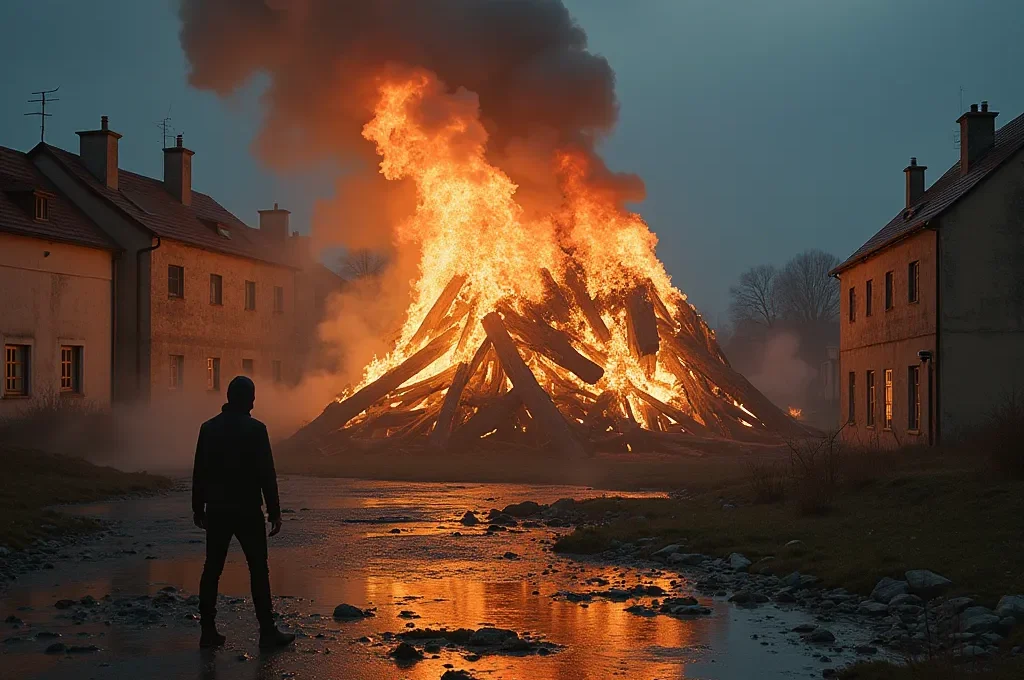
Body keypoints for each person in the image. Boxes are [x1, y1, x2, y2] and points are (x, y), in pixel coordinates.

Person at [191, 375, 295, 650]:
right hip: (248, 509)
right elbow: (266, 474)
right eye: (252, 396)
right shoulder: (256, 429)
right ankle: (267, 632)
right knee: (258, 569)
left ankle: (208, 631)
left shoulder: (208, 428)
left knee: (212, 568)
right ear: (248, 399)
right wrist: (275, 512)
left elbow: (199, 471)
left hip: (217, 509)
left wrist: (197, 507)